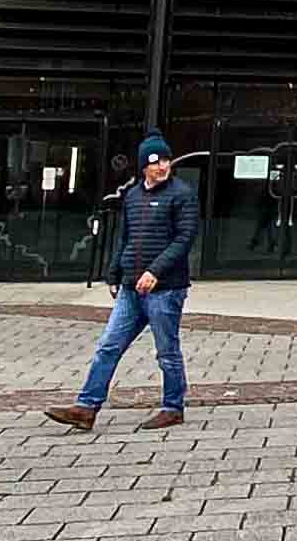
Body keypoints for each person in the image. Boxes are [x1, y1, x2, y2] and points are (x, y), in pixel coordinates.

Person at [48, 135, 196, 431]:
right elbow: (125, 239)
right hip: (131, 288)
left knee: (166, 350)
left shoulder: (182, 195)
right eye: (155, 163)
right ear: (144, 166)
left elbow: (184, 238)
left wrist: (155, 272)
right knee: (108, 345)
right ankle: (87, 407)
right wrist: (114, 273)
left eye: (166, 161)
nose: (162, 167)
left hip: (165, 289)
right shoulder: (132, 196)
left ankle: (173, 406)